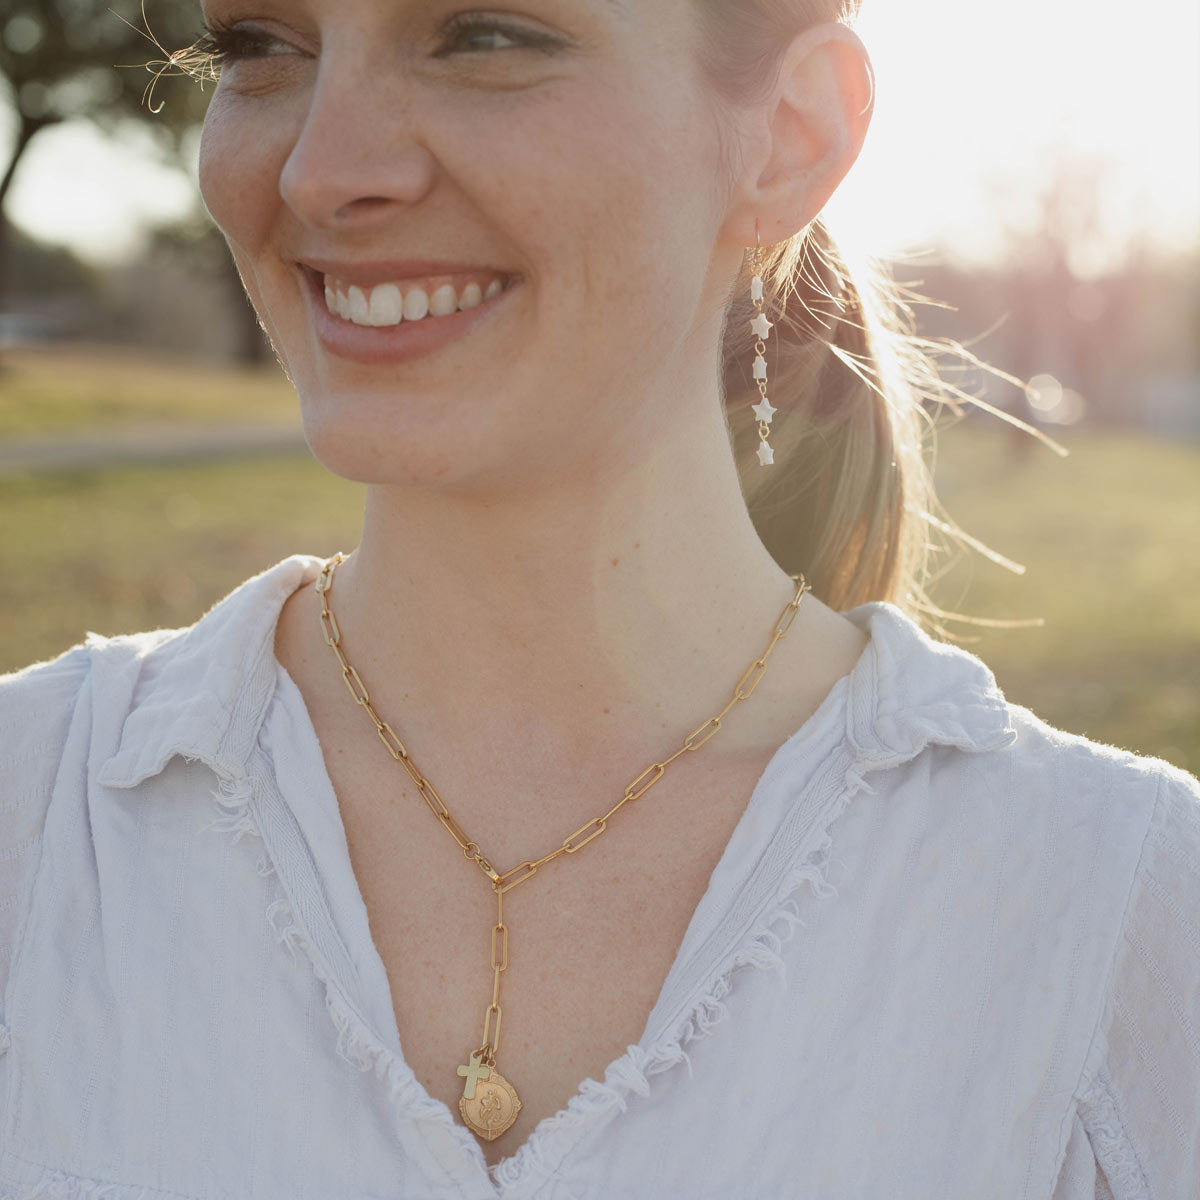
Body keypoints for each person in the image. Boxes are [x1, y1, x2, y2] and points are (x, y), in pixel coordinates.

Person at [1, 0, 1197, 1196]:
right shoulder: (36, 817)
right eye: (261, 46)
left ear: (791, 136)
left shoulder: (1122, 913)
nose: (321, 171)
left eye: (482, 37)